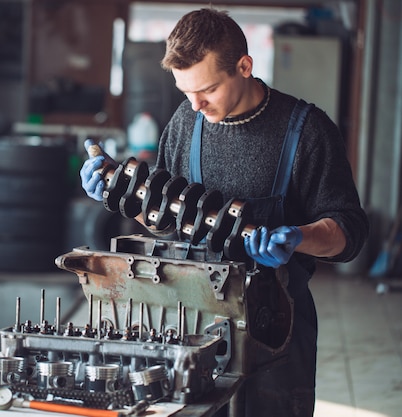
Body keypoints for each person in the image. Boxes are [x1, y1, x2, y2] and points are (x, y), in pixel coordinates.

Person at [80, 7, 369, 417]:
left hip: (277, 329)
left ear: (244, 66)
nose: (196, 105)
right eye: (185, 92)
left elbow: (349, 230)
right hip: (192, 322)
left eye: (208, 90)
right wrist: (119, 194)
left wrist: (298, 237)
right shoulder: (186, 122)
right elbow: (168, 220)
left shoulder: (308, 130)